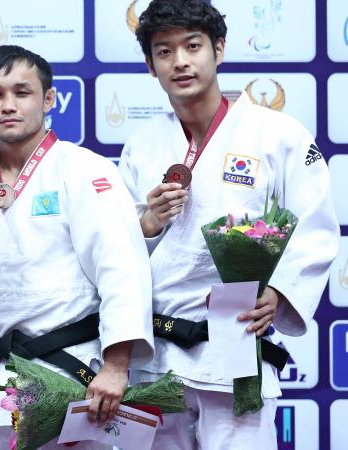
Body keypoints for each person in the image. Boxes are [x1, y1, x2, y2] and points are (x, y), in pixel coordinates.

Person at [118, 1, 340, 448]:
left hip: (236, 340)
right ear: (150, 65)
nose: (180, 61)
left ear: (218, 50)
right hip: (158, 351)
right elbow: (112, 254)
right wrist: (146, 223)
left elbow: (314, 227)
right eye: (164, 52)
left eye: (193, 46)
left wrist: (279, 293)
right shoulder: (141, 146)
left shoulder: (278, 135)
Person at [0, 45, 154, 450]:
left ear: (48, 99)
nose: (8, 105)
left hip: (74, 371)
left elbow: (123, 269)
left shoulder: (85, 168)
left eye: (21, 92)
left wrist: (116, 365)